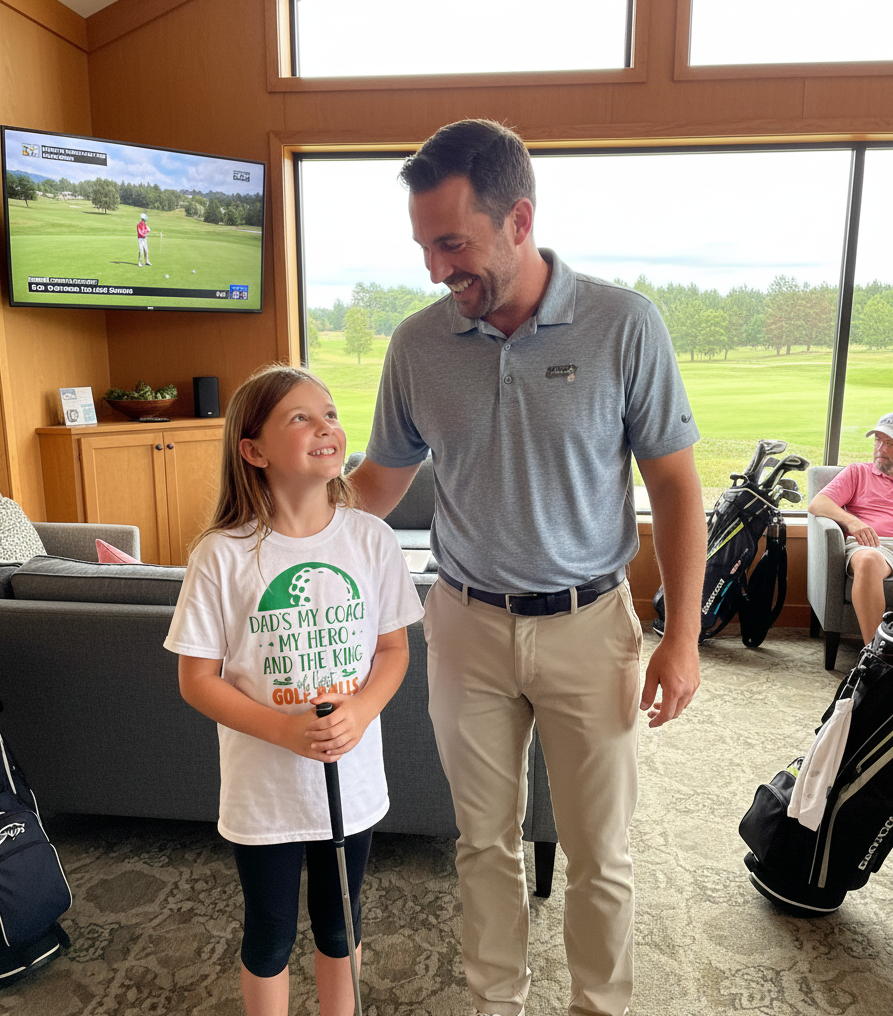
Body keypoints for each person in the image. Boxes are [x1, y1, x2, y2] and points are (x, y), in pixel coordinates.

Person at [348, 120, 707, 1016]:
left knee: (600, 852)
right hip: (465, 626)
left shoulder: (625, 325)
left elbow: (674, 488)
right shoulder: (417, 345)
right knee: (481, 843)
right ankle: (493, 1002)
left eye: (451, 243)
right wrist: (265, 528)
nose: (435, 268)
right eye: (424, 246)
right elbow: (374, 486)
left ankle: (598, 1006)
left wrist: (681, 638)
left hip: (592, 626)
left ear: (519, 220)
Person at [164, 364, 424, 1016]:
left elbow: (393, 650)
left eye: (331, 413)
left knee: (341, 927)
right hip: (264, 791)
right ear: (253, 451)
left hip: (351, 778)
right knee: (270, 933)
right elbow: (197, 679)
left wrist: (361, 710)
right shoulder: (222, 554)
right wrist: (283, 729)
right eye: (299, 417)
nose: (325, 427)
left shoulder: (370, 538)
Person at [807, 413, 893, 646]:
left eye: (889, 443)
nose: (880, 449)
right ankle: (876, 657)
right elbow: (818, 504)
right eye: (877, 440)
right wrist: (852, 522)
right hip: (873, 545)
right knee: (868, 561)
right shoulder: (858, 472)